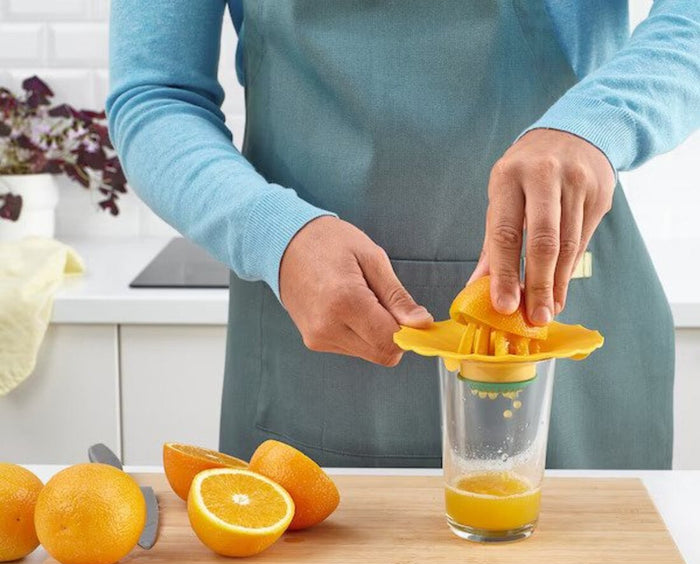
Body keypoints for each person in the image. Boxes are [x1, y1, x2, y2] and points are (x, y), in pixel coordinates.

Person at [107, 1, 700, 469]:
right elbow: (155, 95)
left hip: (566, 332)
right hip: (313, 360)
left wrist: (595, 125)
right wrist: (275, 235)